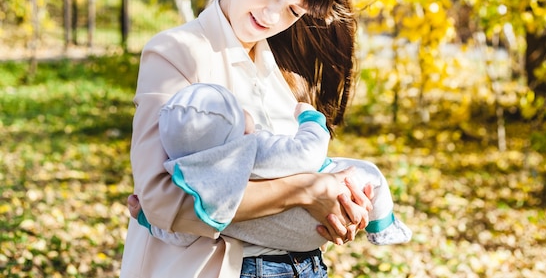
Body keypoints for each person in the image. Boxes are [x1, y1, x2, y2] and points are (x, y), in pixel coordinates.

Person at [120, 0, 375, 278]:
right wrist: (304, 191)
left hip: (306, 267)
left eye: (293, 11)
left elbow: (295, 167)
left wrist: (342, 204)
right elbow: (160, 200)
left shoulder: (289, 75)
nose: (272, 16)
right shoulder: (178, 52)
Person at [129, 82, 412, 251]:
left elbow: (180, 234)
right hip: (311, 227)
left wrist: (146, 218)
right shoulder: (253, 149)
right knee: (369, 175)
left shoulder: (195, 179)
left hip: (282, 240)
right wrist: (311, 118)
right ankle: (382, 225)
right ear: (236, 131)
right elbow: (308, 154)